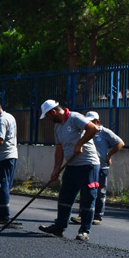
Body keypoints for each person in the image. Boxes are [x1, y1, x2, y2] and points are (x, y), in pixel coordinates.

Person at [37, 100, 100, 242]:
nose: (48, 119)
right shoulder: (57, 127)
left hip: (88, 164)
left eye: (48, 116)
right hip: (72, 166)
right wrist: (56, 169)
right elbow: (59, 149)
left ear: (53, 112)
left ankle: (84, 231)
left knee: (87, 198)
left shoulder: (74, 117)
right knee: (65, 197)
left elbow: (93, 129)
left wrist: (80, 143)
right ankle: (59, 227)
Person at [71, 111, 124, 225]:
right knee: (86, 190)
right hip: (87, 165)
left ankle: (98, 216)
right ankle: (83, 215)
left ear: (97, 122)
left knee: (100, 192)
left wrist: (109, 155)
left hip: (101, 166)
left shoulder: (104, 132)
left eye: (92, 121)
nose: (89, 123)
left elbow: (120, 143)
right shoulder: (83, 132)